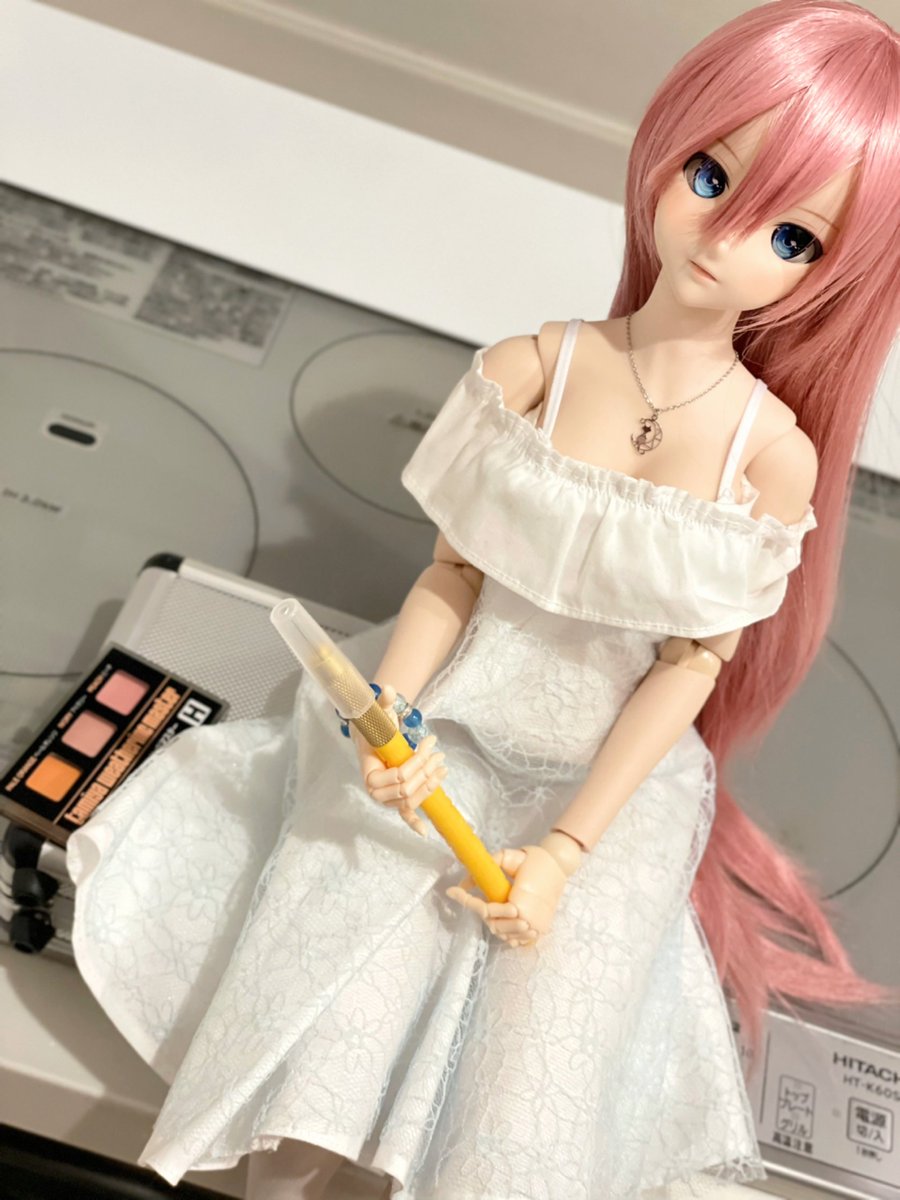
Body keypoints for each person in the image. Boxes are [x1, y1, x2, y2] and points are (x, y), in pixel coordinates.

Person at [67, 2, 900, 1197]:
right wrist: (390, 718)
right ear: (665, 151)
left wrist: (565, 848)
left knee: (528, 1075)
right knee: (328, 997)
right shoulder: (529, 372)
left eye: (791, 236)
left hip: (607, 792)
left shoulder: (769, 459)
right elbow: (453, 576)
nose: (723, 238)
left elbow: (690, 666)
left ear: (831, 274)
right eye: (711, 175)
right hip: (446, 722)